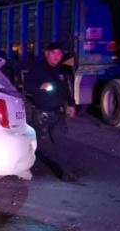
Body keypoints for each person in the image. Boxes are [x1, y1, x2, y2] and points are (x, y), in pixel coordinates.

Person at [24, 42, 79, 182]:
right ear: (46, 53)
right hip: (40, 113)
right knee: (36, 143)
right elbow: (27, 86)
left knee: (60, 140)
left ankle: (67, 172)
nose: (56, 56)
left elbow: (66, 90)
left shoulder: (62, 70)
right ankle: (24, 168)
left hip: (58, 113)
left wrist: (71, 105)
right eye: (53, 53)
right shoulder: (38, 68)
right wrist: (39, 86)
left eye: (59, 53)